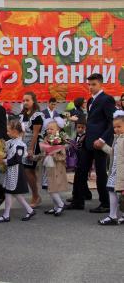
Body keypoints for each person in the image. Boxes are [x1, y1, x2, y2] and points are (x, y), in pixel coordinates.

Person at [67, 73, 115, 212]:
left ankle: (105, 204)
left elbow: (112, 123)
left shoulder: (107, 99)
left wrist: (102, 140)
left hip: (100, 143)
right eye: (89, 84)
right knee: (80, 170)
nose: (91, 87)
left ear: (100, 84)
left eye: (93, 84)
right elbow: (91, 122)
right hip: (88, 142)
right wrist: (85, 135)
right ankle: (78, 200)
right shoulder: (89, 101)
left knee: (100, 173)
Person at [0, 119, 36, 223]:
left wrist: (2, 160)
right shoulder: (11, 142)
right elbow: (5, 148)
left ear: (15, 132)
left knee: (11, 192)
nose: (7, 133)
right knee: (12, 193)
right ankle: (27, 211)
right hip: (11, 171)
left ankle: (7, 215)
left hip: (16, 171)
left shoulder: (20, 144)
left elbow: (16, 159)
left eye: (9, 131)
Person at [98, 111, 124, 225]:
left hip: (121, 171)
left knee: (112, 190)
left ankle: (113, 216)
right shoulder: (117, 138)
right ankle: (115, 215)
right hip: (115, 170)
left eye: (119, 126)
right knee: (113, 191)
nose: (116, 129)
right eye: (115, 127)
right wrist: (103, 146)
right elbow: (114, 154)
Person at [20, 92, 44, 208]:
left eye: (27, 100)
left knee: (28, 170)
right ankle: (36, 194)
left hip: (33, 145)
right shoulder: (23, 114)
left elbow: (35, 134)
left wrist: (30, 149)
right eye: (24, 100)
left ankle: (35, 195)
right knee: (29, 171)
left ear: (33, 101)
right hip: (24, 143)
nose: (25, 102)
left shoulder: (37, 115)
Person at [41, 119, 68, 216]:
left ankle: (60, 204)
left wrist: (54, 155)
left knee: (52, 187)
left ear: (57, 130)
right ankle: (56, 206)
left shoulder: (59, 140)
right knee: (50, 186)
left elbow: (63, 156)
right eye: (48, 129)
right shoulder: (46, 139)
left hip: (56, 167)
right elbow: (44, 151)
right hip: (48, 166)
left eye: (51, 129)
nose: (49, 131)